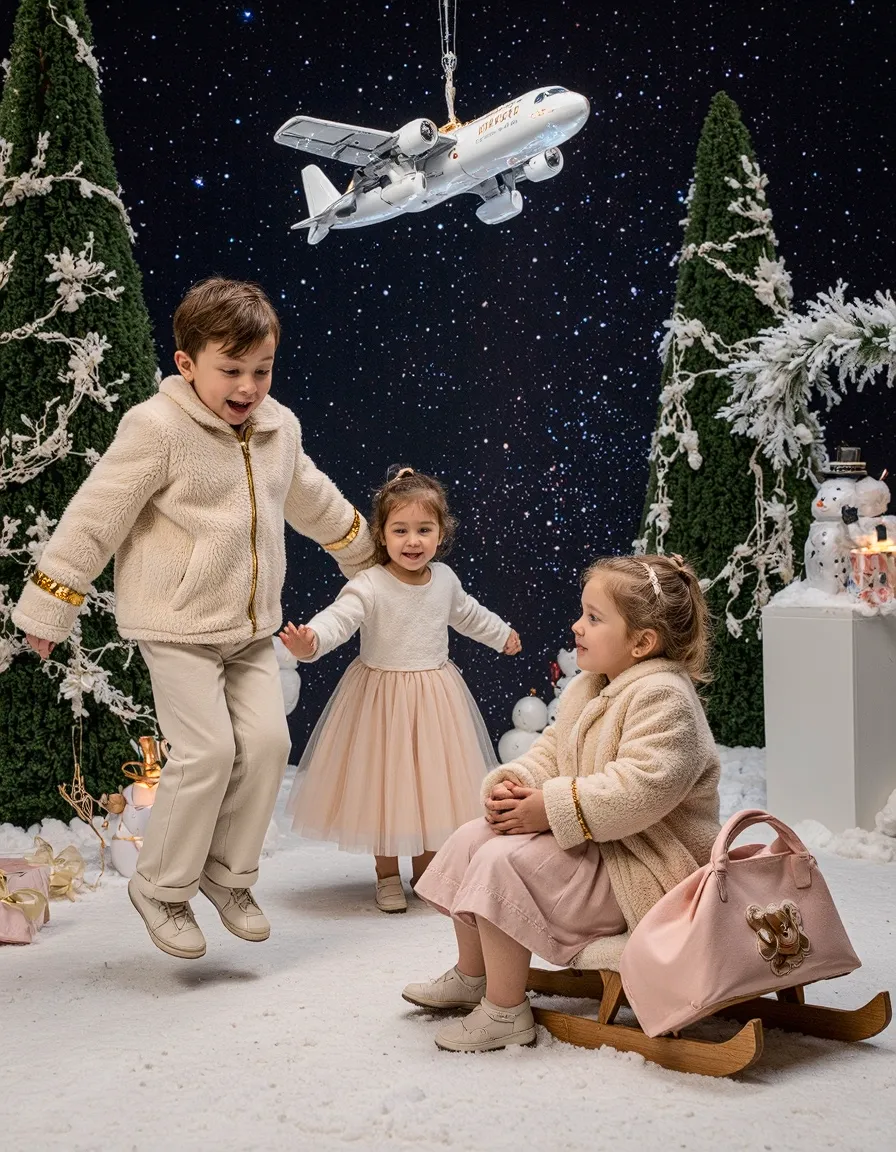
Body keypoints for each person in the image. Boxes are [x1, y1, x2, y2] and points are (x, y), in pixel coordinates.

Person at [13, 278, 374, 960]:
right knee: (207, 752)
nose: (248, 386)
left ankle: (228, 877)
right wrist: (51, 603)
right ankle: (161, 887)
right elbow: (95, 518)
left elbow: (314, 500)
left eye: (261, 370)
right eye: (230, 370)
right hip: (176, 625)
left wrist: (369, 555)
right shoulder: (157, 429)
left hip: (249, 629)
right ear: (187, 364)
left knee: (266, 746)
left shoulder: (277, 429)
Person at [402, 553, 721, 1052]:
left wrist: (549, 808)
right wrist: (516, 784)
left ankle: (505, 1011)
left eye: (594, 618)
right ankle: (473, 973)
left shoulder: (666, 700)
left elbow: (638, 790)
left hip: (643, 868)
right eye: (582, 613)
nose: (577, 626)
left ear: (642, 643)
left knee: (503, 862)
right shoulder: (588, 687)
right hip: (600, 845)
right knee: (473, 838)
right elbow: (553, 751)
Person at [280, 466, 521, 913]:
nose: (413, 541)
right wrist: (311, 641)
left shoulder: (444, 580)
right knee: (384, 789)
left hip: (435, 698)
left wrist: (501, 634)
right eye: (401, 530)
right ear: (382, 534)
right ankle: (387, 874)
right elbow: (339, 619)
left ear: (441, 533)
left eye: (424, 530)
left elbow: (468, 615)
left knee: (432, 788)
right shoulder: (370, 583)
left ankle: (427, 872)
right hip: (381, 700)